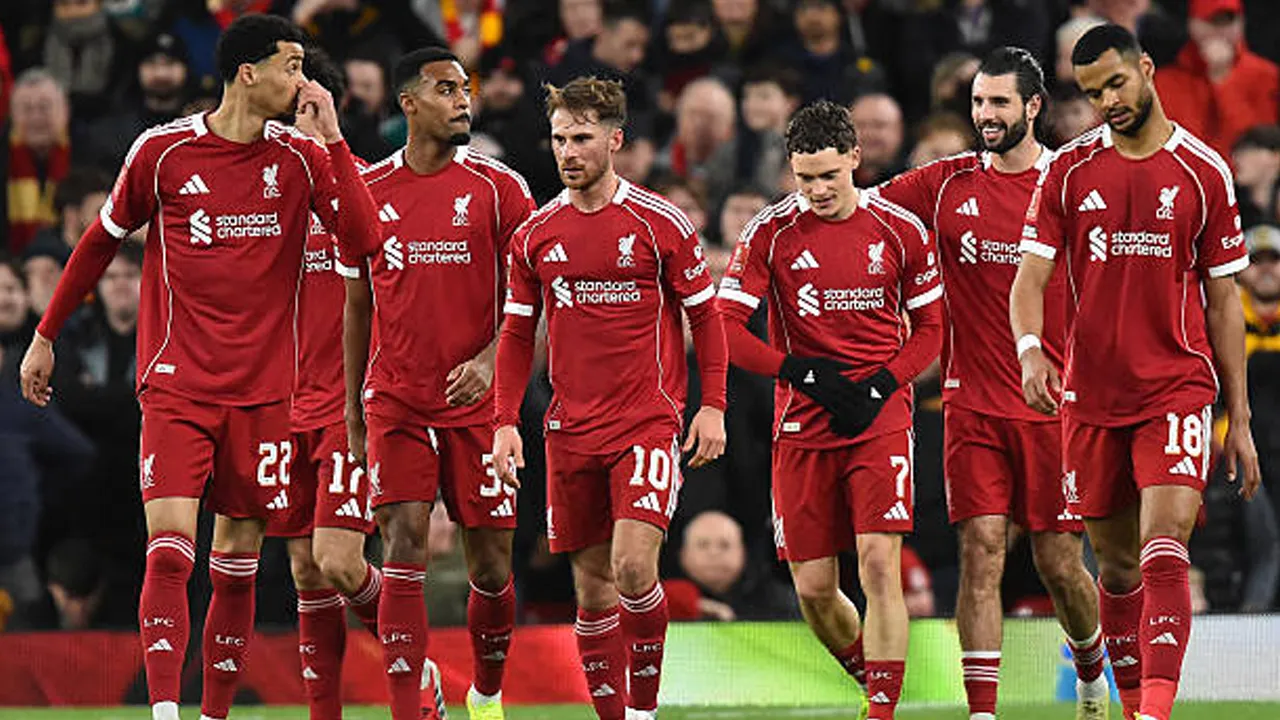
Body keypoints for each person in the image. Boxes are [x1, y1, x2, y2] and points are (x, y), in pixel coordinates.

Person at [18, 15, 379, 720]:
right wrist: (46, 334)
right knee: (172, 552)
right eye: (290, 65)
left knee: (236, 566)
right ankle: (165, 712)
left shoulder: (302, 158)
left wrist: (332, 139)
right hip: (178, 385)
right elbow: (99, 241)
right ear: (248, 72)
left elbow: (363, 241)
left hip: (267, 395)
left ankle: (211, 712)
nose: (300, 80)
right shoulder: (163, 151)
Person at [1011, 24, 1263, 720]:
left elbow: (1222, 300)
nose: (1107, 102)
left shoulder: (1203, 170)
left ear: (1147, 69)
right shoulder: (1067, 170)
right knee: (1116, 570)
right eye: (1092, 93)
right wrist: (1032, 349)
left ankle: (1154, 711)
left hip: (1176, 386)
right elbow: (1029, 279)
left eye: (1116, 84)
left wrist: (1236, 418)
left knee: (1164, 543)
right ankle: (1131, 708)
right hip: (1090, 397)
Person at [871, 47, 1109, 720]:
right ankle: (982, 713)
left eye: (1000, 103)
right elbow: (863, 212)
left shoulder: (1072, 184)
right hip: (970, 403)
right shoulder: (945, 183)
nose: (986, 115)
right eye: (979, 102)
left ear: (1033, 108)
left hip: (1054, 406)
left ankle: (1091, 670)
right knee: (980, 550)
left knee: (1060, 562)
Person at [491, 76, 728, 720]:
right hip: (569, 429)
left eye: (582, 138)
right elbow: (515, 333)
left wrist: (713, 406)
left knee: (631, 568)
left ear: (615, 141)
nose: (568, 151)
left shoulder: (659, 223)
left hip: (646, 422)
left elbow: (706, 319)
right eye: (560, 138)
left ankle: (644, 711)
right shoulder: (536, 233)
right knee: (592, 590)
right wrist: (505, 421)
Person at [718, 99, 943, 720]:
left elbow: (930, 331)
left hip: (881, 420)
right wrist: (800, 371)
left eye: (828, 175)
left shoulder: (900, 229)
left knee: (878, 562)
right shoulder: (769, 232)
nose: (816, 190)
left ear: (854, 159)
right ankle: (872, 680)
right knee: (816, 591)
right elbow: (727, 329)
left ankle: (882, 711)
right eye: (804, 177)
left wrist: (883, 385)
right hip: (803, 421)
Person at [341, 45, 535, 720]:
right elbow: (357, 301)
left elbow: (532, 302)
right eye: (446, 89)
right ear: (409, 104)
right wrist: (353, 411)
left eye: (465, 88)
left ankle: (485, 693)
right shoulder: (368, 192)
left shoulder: (500, 189)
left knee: (490, 566)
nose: (463, 100)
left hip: (477, 407)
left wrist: (489, 361)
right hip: (396, 399)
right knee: (402, 543)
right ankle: (409, 706)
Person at [252, 46, 406, 720]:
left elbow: (388, 279)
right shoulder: (261, 199)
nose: (293, 129)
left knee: (341, 561)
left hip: (349, 407)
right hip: (280, 406)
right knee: (304, 572)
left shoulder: (371, 188)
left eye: (307, 112)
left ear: (331, 114)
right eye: (287, 117)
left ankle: (416, 663)